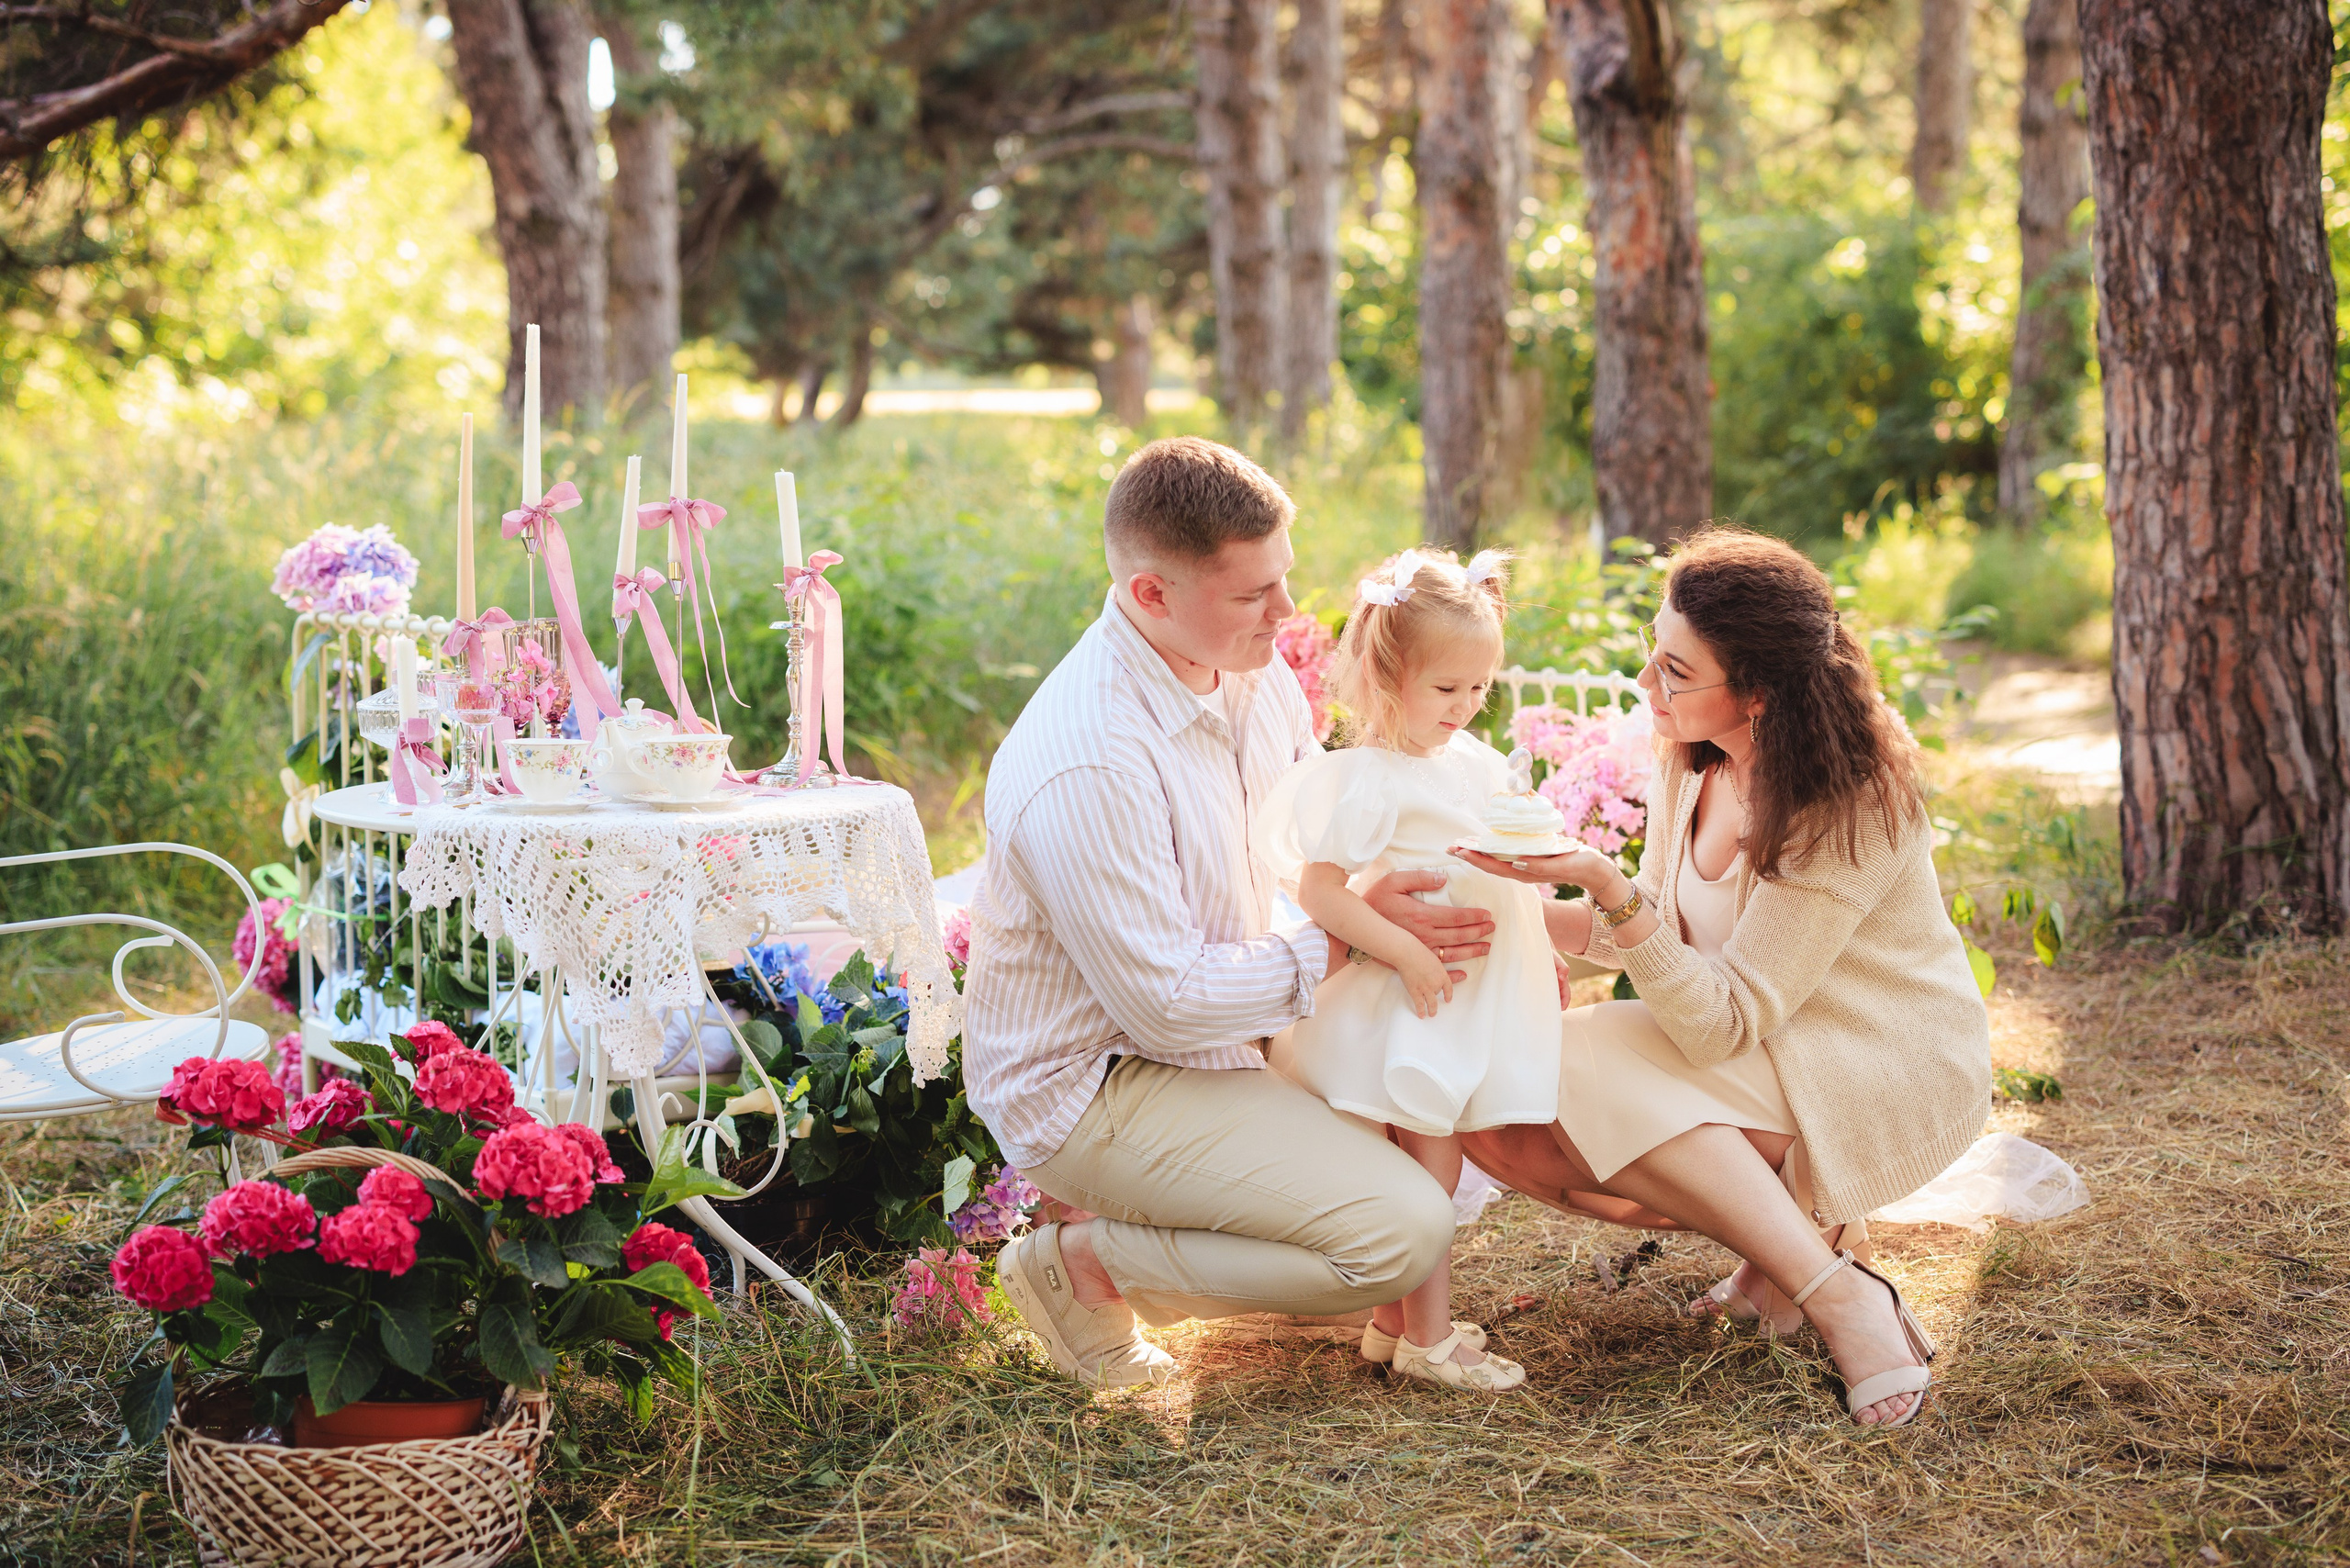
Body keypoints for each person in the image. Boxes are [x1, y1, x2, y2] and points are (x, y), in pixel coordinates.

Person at [962, 437, 1494, 1389]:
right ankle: (1080, 1264)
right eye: (1253, 595)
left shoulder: (1246, 667)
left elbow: (1303, 854)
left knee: (1428, 1113)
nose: (1288, 614)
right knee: (1401, 1231)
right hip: (1100, 1079)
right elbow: (1165, 1006)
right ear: (1149, 595)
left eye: (1281, 579)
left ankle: (1233, 1218)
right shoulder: (1090, 758)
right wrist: (1347, 933)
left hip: (1240, 1027)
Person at [1453, 527, 1992, 1428]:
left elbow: (1716, 1018)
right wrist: (1500, 913)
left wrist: (1606, 882)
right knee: (1501, 1107)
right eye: (1649, 655)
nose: (1643, 687)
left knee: (1572, 1059)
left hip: (1873, 1060)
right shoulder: (1689, 760)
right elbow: (1649, 938)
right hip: (1761, 1036)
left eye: (1674, 671)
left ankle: (1841, 1294)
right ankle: (1780, 1255)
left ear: (1759, 695)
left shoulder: (1843, 803)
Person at [1252, 547, 1562, 1393]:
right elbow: (1323, 892)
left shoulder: (1463, 763)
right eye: (1446, 690)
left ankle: (1394, 1324)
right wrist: (1406, 951)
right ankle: (1430, 1337)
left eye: (1479, 688)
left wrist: (1540, 956)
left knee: (1427, 1154)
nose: (1466, 707)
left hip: (1455, 1001)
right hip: (1407, 1001)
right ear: (1389, 682)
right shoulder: (1370, 781)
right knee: (1430, 1167)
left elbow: (1502, 874)